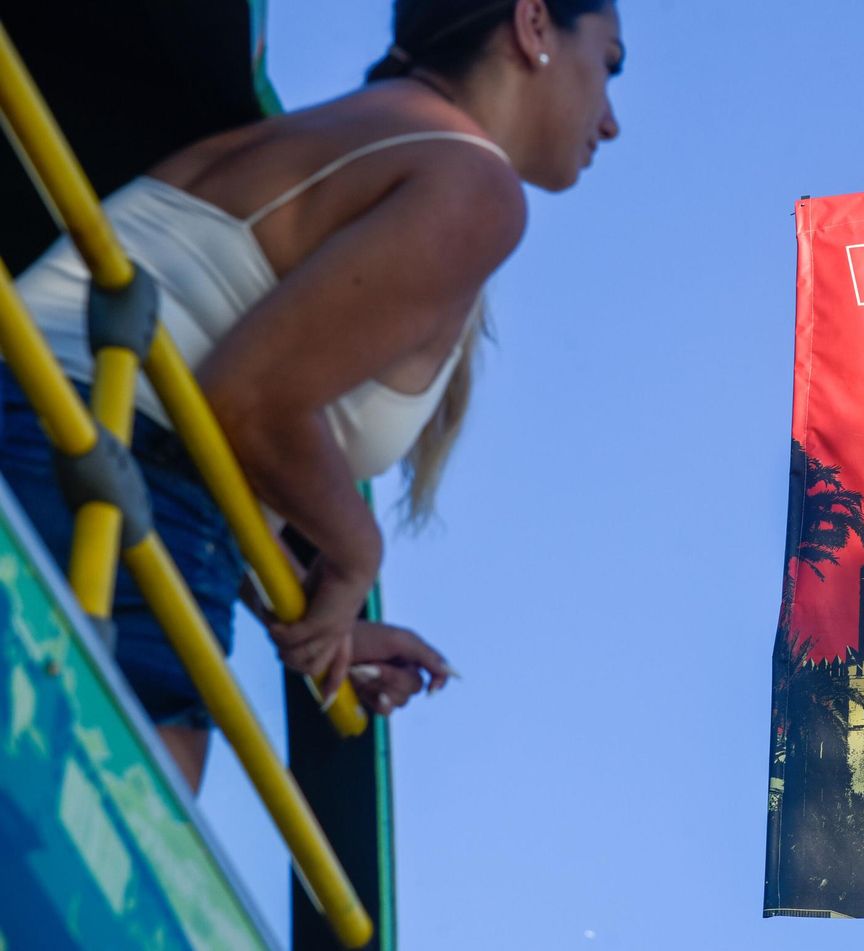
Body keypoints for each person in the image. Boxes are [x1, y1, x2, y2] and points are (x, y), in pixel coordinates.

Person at [0, 0, 624, 789]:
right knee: (97, 871)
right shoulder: (475, 183)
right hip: (109, 472)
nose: (610, 122)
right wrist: (357, 552)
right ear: (534, 26)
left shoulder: (344, 133)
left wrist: (308, 611)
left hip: (66, 435)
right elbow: (247, 399)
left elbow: (211, 397)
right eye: (609, 65)